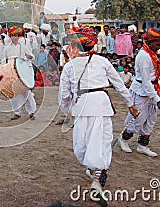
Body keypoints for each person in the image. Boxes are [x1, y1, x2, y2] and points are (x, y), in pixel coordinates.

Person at [59, 29, 138, 199]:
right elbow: (119, 84)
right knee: (101, 142)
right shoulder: (102, 61)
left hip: (81, 106)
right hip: (101, 104)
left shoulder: (69, 66)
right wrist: (130, 105)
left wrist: (67, 112)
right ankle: (96, 174)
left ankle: (97, 177)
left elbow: (64, 96)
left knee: (83, 144)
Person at [118, 27, 160, 157]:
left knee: (151, 119)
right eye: (157, 44)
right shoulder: (144, 56)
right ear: (150, 42)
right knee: (138, 119)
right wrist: (158, 100)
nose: (159, 46)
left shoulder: (153, 52)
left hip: (152, 90)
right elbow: (146, 82)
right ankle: (123, 139)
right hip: (142, 91)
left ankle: (142, 145)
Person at [2, 26, 37, 120]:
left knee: (26, 91)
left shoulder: (23, 47)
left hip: (22, 71)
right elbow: (2, 60)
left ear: (19, 36)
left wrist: (27, 58)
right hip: (10, 71)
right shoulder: (6, 48)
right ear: (10, 36)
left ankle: (31, 112)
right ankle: (16, 112)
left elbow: (32, 57)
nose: (14, 37)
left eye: (16, 35)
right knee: (12, 93)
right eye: (12, 35)